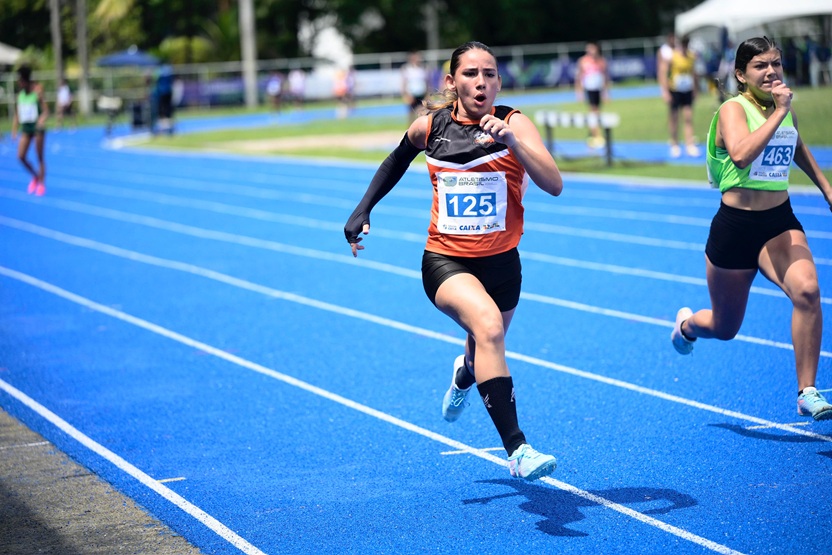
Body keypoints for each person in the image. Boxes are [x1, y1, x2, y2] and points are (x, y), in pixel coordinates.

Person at [344, 41, 564, 481]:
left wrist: (513, 143)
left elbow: (554, 183)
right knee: (488, 327)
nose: (480, 81)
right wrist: (362, 208)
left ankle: (464, 373)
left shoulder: (513, 122)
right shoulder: (430, 128)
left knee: (483, 346)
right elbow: (394, 161)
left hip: (503, 263)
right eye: (470, 74)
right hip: (444, 261)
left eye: (490, 73)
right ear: (452, 82)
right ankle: (517, 449)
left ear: (499, 81)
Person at [671, 37, 832, 421]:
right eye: (761, 65)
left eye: (776, 63)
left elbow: (795, 147)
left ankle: (806, 391)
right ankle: (687, 326)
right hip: (735, 228)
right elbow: (742, 155)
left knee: (808, 291)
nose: (772, 71)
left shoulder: (783, 110)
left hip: (779, 221)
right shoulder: (733, 108)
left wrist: (827, 189)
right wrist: (779, 112)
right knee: (725, 327)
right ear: (741, 75)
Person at [660, 35, 700, 158]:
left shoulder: (691, 57)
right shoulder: (672, 56)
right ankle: (674, 143)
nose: (685, 46)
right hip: (675, 90)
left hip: (687, 90)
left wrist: (695, 88)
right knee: (674, 118)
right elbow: (663, 72)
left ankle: (689, 144)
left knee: (688, 117)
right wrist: (665, 91)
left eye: (686, 44)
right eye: (683, 44)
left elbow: (694, 73)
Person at [11, 65, 48, 196]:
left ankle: (42, 183)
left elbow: (45, 111)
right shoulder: (20, 96)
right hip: (26, 129)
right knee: (20, 156)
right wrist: (14, 129)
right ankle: (35, 176)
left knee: (39, 157)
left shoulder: (36, 92)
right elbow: (17, 113)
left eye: (20, 80)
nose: (18, 83)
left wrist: (41, 121)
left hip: (37, 129)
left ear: (25, 81)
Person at [574, 41, 609, 149]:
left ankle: (595, 133)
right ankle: (595, 135)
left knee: (597, 111)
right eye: (588, 49)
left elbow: (605, 76)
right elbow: (579, 77)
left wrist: (606, 92)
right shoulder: (583, 61)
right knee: (592, 110)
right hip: (589, 88)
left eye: (592, 49)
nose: (590, 51)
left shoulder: (601, 61)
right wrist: (579, 92)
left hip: (598, 88)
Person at [401, 50, 429, 122]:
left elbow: (427, 82)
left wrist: (427, 94)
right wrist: (406, 94)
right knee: (411, 114)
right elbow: (404, 83)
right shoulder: (407, 69)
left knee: (423, 112)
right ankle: (410, 130)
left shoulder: (423, 68)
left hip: (421, 93)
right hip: (411, 94)